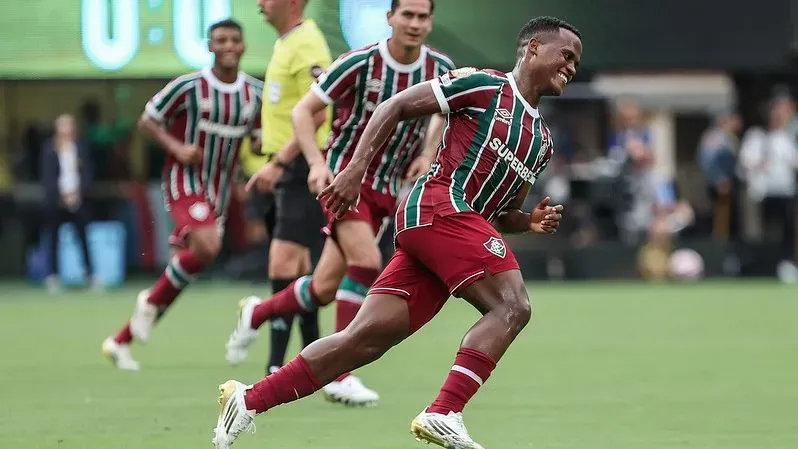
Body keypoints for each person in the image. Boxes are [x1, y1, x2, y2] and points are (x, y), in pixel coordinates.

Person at [212, 16, 578, 449]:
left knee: (362, 341)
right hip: (437, 206)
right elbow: (395, 106)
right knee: (513, 305)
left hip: (450, 227)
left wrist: (528, 221)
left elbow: (497, 213)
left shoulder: (541, 140)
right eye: (566, 55)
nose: (571, 67)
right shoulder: (484, 86)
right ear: (533, 48)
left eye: (576, 62)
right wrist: (354, 169)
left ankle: (247, 400)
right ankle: (444, 411)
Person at [225, 0, 453, 407]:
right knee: (366, 263)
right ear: (390, 19)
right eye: (408, 15)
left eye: (423, 17)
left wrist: (427, 151)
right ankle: (340, 374)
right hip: (345, 178)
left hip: (386, 188)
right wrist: (315, 163)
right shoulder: (360, 62)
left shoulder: (440, 67)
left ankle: (256, 314)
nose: (416, 24)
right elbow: (304, 111)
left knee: (325, 287)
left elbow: (443, 114)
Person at [101, 19, 263, 371]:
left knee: (187, 267)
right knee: (208, 247)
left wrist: (261, 144)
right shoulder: (189, 87)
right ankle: (146, 306)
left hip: (218, 189)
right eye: (221, 40)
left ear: (244, 45)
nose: (229, 45)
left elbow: (257, 134)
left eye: (235, 39)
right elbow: (148, 121)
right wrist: (177, 146)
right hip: (184, 179)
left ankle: (121, 340)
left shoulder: (254, 93)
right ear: (210, 46)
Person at [234, 0, 333, 376]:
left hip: (301, 167)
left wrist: (280, 161)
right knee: (302, 267)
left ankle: (277, 363)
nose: (260, 3)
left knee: (284, 262)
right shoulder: (287, 42)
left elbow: (319, 110)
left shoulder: (307, 43)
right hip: (289, 166)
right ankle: (312, 360)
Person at [40, 114, 100, 293]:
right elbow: (47, 177)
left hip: (78, 200)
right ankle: (53, 276)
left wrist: (78, 193)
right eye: (62, 126)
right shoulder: (49, 149)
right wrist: (61, 196)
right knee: (54, 238)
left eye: (69, 126)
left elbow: (88, 173)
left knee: (82, 237)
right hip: (57, 201)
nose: (66, 130)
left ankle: (90, 275)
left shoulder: (80, 147)